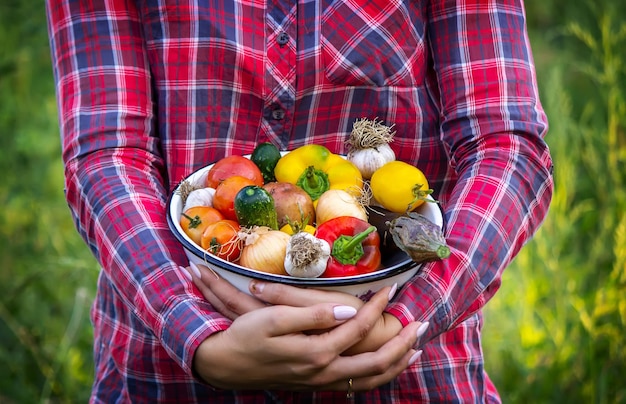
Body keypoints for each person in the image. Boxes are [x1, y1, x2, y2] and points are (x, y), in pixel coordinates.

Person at [45, 0, 553, 401]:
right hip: (168, 375)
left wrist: (404, 320)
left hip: (403, 375)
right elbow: (108, 153)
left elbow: (506, 146)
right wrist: (197, 336)